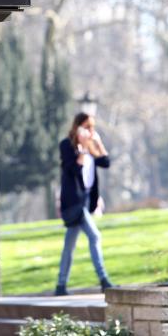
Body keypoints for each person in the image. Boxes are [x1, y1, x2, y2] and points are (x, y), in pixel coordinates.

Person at [55, 112, 114, 296]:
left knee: (69, 245)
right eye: (87, 127)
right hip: (74, 203)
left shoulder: (91, 147)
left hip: (86, 202)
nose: (91, 131)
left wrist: (98, 143)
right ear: (77, 127)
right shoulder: (67, 146)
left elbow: (106, 162)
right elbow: (72, 169)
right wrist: (80, 148)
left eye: (92, 127)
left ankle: (60, 285)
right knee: (95, 236)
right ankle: (104, 280)